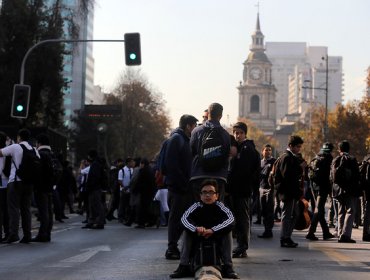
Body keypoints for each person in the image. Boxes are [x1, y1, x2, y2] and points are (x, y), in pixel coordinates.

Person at [170, 179, 238, 279]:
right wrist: (196, 229)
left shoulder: (221, 206)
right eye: (204, 192)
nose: (207, 195)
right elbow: (183, 219)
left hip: (216, 237)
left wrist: (213, 230)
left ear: (217, 195)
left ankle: (228, 267)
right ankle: (183, 266)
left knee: (228, 232)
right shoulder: (195, 206)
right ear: (200, 195)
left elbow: (231, 220)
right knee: (187, 232)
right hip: (198, 237)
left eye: (211, 192)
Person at [164, 114, 198, 260]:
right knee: (176, 219)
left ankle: (177, 248)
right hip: (178, 188)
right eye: (194, 126)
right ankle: (171, 248)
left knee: (182, 219)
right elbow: (170, 165)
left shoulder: (183, 139)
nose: (195, 129)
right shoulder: (176, 139)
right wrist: (183, 183)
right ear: (188, 126)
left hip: (183, 187)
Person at [0, 128, 39, 243]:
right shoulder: (33, 149)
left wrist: (8, 144)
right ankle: (27, 235)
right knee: (26, 209)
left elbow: (1, 153)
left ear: (19, 137)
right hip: (29, 183)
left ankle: (13, 234)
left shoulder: (16, 147)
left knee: (13, 208)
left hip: (15, 181)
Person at [228, 122, 260, 257]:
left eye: (240, 133)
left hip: (243, 189)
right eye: (235, 132)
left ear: (245, 134)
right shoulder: (239, 147)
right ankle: (241, 245)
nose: (237, 135)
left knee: (242, 218)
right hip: (236, 189)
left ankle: (242, 246)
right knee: (237, 218)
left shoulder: (247, 148)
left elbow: (246, 171)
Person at [190, 102, 230, 202]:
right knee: (217, 210)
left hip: (199, 176)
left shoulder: (196, 131)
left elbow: (191, 152)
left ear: (208, 114)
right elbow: (226, 156)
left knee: (198, 209)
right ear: (220, 116)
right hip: (218, 177)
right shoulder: (225, 135)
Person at [275, 135, 306, 248]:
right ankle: (285, 238)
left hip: (291, 192)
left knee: (294, 214)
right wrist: (300, 168)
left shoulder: (291, 157)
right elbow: (287, 175)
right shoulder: (286, 157)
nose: (299, 149)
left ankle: (287, 236)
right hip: (287, 192)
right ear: (290, 146)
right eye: (297, 146)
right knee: (287, 215)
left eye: (300, 147)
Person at [331, 140, 360, 243]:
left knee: (340, 212)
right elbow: (357, 176)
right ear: (349, 149)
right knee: (350, 211)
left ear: (339, 149)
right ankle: (346, 235)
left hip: (338, 191)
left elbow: (332, 177)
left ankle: (339, 233)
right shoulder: (352, 159)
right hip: (350, 190)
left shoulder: (335, 160)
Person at [305, 142, 335, 241]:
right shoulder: (329, 159)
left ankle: (326, 232)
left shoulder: (317, 157)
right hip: (323, 188)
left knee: (320, 210)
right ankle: (311, 232)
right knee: (318, 210)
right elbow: (330, 176)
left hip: (314, 187)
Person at [32, 133, 57, 242]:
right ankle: (47, 233)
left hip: (41, 187)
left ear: (39, 143)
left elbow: (37, 171)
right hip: (50, 187)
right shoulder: (52, 154)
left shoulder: (40, 154)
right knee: (49, 210)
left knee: (43, 211)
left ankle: (42, 234)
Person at [81, 150, 106, 230]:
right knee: (92, 206)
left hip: (94, 188)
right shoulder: (97, 163)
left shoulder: (96, 164)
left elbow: (94, 177)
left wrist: (90, 186)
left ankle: (99, 222)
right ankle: (92, 221)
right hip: (94, 188)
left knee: (96, 205)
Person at [129, 158, 156, 228]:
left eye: (141, 164)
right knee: (148, 207)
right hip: (150, 192)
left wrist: (134, 190)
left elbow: (139, 182)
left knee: (142, 208)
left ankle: (141, 223)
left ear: (143, 164)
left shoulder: (143, 171)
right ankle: (151, 221)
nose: (140, 165)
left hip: (144, 192)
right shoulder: (150, 170)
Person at [258, 144, 276, 238]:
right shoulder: (260, 162)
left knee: (269, 211)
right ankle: (266, 230)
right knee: (263, 210)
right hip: (261, 188)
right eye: (266, 150)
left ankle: (269, 230)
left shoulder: (274, 162)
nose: (268, 152)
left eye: (269, 150)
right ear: (262, 151)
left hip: (270, 189)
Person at [118, 157, 135, 224]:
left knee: (129, 205)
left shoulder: (132, 170)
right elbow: (120, 180)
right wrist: (124, 187)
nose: (132, 163)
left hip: (130, 190)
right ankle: (120, 217)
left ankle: (127, 217)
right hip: (124, 190)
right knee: (122, 204)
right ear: (128, 163)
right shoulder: (122, 170)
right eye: (131, 162)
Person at [0, 132, 10, 242]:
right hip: (7, 183)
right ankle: (8, 232)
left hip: (2, 183)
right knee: (6, 209)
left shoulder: (2, 152)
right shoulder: (7, 151)